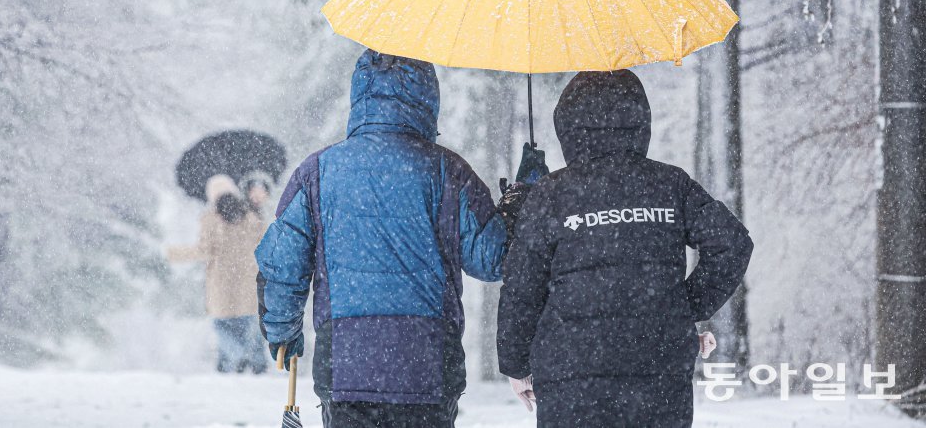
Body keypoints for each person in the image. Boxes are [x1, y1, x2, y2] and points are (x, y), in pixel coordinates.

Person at [255, 49, 520, 428]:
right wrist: (523, 200)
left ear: (359, 93)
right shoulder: (447, 170)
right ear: (428, 96)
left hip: (346, 366)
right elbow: (494, 258)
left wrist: (282, 329)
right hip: (426, 365)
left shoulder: (317, 171)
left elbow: (281, 263)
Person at [497, 70, 753, 428]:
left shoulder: (550, 194)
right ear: (640, 121)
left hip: (571, 377)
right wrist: (678, 308)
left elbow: (522, 285)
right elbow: (731, 245)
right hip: (658, 369)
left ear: (568, 125)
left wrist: (515, 362)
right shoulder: (670, 184)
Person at [167, 174, 269, 374]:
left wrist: (174, 253)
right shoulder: (249, 216)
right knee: (250, 327)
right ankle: (255, 365)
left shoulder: (210, 219)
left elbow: (204, 250)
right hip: (248, 282)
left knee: (223, 326)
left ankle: (236, 357)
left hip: (221, 284)